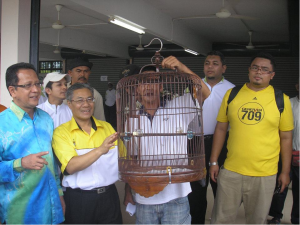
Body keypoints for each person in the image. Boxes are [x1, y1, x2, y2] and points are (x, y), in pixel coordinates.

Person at [123, 57, 210, 224]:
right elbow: (132, 161)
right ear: (137, 89)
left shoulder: (180, 107)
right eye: (143, 83)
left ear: (161, 87)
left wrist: (181, 67)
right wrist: (128, 191)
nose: (148, 87)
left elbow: (204, 92)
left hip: (176, 197)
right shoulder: (131, 120)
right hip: (144, 198)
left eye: (154, 82)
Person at [209, 52, 294, 224]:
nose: (258, 72)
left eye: (264, 69)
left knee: (257, 220)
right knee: (220, 220)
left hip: (264, 175)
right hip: (231, 171)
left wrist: (285, 172)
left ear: (272, 75)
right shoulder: (232, 94)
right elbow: (220, 128)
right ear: (248, 70)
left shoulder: (282, 100)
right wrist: (213, 161)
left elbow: (286, 138)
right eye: (255, 67)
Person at [0, 62, 64, 224]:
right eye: (28, 85)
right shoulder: (2, 124)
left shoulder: (46, 119)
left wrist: (59, 194)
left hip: (50, 208)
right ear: (12, 90)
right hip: (20, 213)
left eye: (37, 84)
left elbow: (52, 164)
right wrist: (20, 163)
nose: (36, 90)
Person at [52, 83, 123, 224]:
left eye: (90, 99)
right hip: (79, 200)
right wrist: (100, 150)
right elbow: (70, 167)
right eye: (80, 100)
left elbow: (124, 160)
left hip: (109, 196)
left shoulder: (107, 128)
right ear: (69, 104)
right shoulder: (61, 132)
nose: (86, 104)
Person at [188, 51, 235, 224]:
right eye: (207, 63)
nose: (210, 66)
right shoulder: (194, 85)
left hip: (221, 143)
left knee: (220, 187)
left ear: (223, 68)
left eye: (215, 63)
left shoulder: (232, 90)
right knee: (195, 189)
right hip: (195, 143)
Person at [67, 57, 105, 121]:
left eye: (86, 71)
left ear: (89, 73)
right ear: (70, 73)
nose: (82, 74)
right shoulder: (62, 91)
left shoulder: (95, 95)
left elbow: (100, 121)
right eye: (78, 71)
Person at [290, 82, 299, 224]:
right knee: (280, 188)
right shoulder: (289, 103)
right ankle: (275, 215)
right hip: (286, 153)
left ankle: (296, 218)